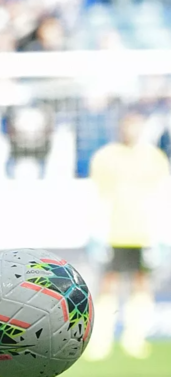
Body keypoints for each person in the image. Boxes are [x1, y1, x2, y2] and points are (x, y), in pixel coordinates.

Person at [84, 111, 170, 361]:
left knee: (141, 283)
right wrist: (95, 231)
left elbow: (161, 196)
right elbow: (96, 195)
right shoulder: (105, 156)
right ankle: (101, 339)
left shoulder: (154, 158)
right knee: (107, 284)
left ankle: (135, 338)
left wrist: (161, 234)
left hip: (143, 233)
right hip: (113, 232)